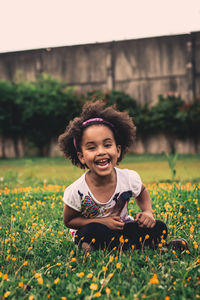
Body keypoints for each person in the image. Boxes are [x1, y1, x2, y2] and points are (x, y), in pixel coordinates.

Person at [58, 100, 189, 253]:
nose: (101, 151)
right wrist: (102, 222)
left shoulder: (128, 178)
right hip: (95, 232)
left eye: (107, 145)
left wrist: (147, 212)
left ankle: (132, 247)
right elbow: (69, 221)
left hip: (123, 229)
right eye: (92, 147)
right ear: (81, 157)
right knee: (90, 232)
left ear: (118, 150)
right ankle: (140, 247)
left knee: (159, 227)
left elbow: (141, 191)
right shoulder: (77, 190)